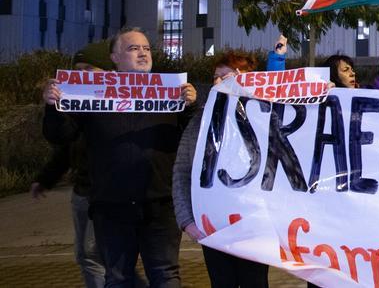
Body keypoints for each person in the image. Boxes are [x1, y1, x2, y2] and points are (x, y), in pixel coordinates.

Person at [43, 27, 197, 288]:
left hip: (160, 206)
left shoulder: (172, 92)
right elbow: (60, 135)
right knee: (118, 278)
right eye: (133, 48)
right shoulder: (92, 93)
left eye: (146, 48)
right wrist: (53, 106)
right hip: (111, 207)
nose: (142, 53)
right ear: (114, 57)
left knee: (166, 276)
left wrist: (191, 107)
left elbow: (195, 139)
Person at [173, 50, 269, 288]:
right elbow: (182, 171)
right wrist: (187, 221)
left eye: (226, 77)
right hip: (213, 227)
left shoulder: (266, 116)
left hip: (253, 227)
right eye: (216, 77)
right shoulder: (201, 122)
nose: (218, 82)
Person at [32, 40, 114, 288]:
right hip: (83, 193)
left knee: (94, 256)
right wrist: (46, 179)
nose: (82, 75)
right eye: (78, 69)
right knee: (90, 256)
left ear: (108, 72)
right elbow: (65, 145)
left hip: (109, 195)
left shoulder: (119, 104)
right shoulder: (75, 105)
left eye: (89, 69)